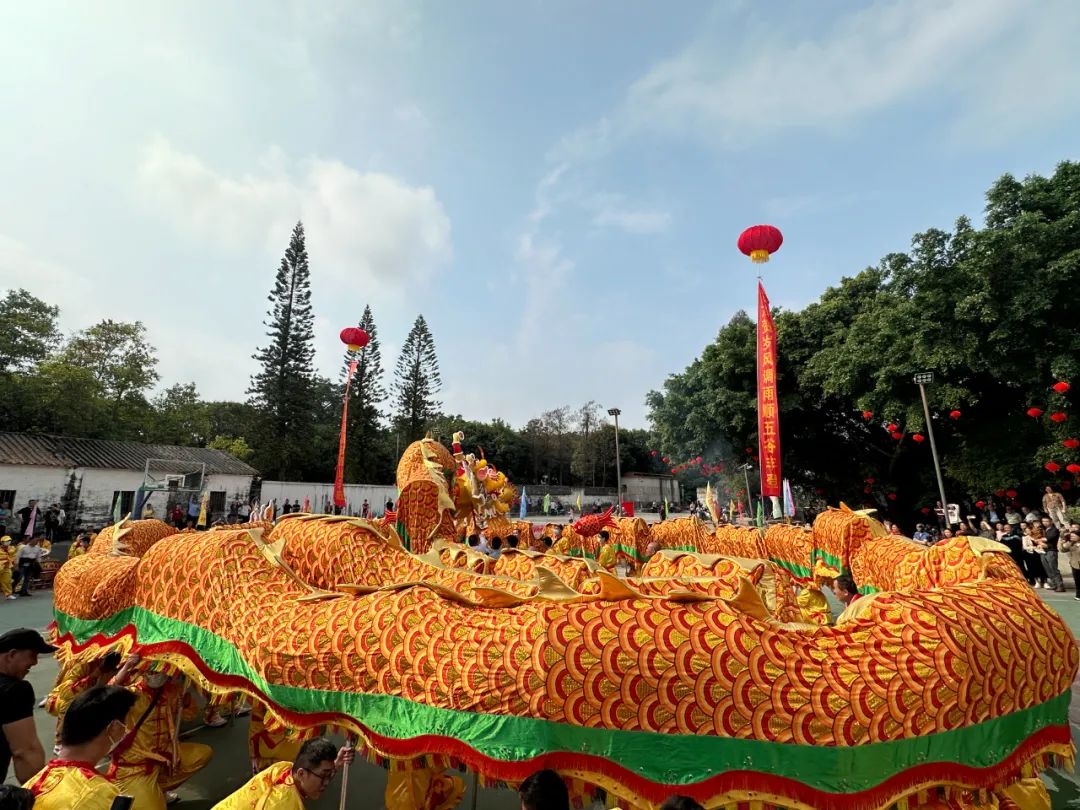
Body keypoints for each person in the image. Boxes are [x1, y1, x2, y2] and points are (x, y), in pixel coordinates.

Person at [109, 666, 212, 807]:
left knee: (202, 754)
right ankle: (144, 790)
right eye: (150, 670)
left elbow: (190, 716)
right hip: (135, 767)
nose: (154, 674)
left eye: (159, 670)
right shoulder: (132, 694)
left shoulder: (174, 691)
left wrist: (186, 703)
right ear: (142, 671)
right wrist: (127, 667)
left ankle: (158, 788)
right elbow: (105, 697)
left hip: (166, 757)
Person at [24, 684, 137, 809]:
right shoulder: (97, 793)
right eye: (126, 724)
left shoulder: (32, 784)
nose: (127, 730)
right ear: (114, 728)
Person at [211, 737, 354, 808]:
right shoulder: (283, 804)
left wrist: (336, 764)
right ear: (301, 774)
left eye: (328, 775)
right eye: (323, 776)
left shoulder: (283, 768)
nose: (327, 783)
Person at [1, 628, 54, 782]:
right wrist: (36, 792)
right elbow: (25, 751)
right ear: (12, 655)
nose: (35, 662)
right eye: (33, 655)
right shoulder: (13, 690)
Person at [1040, 516, 1065, 592]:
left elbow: (1048, 539)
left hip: (1051, 551)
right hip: (1043, 551)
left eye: (1046, 521)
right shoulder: (1043, 530)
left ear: (1051, 521)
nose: (1045, 523)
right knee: (1047, 569)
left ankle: (1060, 586)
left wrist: (1039, 540)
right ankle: (1054, 584)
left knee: (1053, 568)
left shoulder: (1054, 530)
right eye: (1043, 521)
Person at [1060, 530, 1080, 601]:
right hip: (1074, 564)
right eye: (1071, 536)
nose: (1072, 538)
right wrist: (1062, 543)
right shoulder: (1071, 543)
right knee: (1077, 581)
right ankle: (1078, 595)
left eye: (1074, 536)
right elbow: (1063, 550)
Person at [0, 534, 15, 600]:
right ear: (2, 542)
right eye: (6, 541)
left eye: (9, 541)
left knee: (7, 581)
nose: (8, 542)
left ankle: (8, 594)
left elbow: (13, 556)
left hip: (6, 567)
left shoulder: (12, 548)